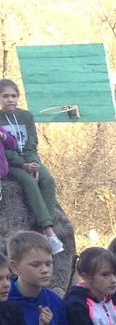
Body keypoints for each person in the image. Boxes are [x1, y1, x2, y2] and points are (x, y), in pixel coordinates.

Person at [0, 80, 62, 253]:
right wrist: (23, 165)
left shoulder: (26, 116)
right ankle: (48, 231)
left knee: (47, 180)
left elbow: (32, 144)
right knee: (28, 181)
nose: (10, 100)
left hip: (29, 158)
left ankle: (43, 229)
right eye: (5, 96)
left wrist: (33, 163)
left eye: (14, 96)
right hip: (11, 163)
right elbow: (5, 150)